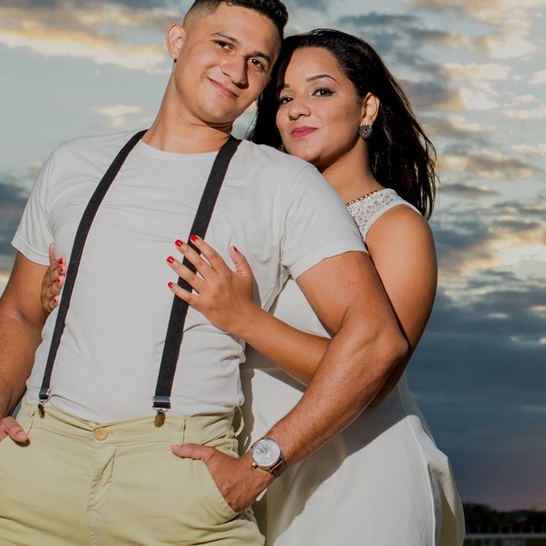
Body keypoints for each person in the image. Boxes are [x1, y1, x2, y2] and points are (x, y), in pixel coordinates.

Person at [0, 0, 407, 546]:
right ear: (177, 40)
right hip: (31, 470)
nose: (236, 70)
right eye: (222, 44)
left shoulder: (285, 182)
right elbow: (22, 312)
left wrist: (258, 466)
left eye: (257, 62)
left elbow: (375, 341)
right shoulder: (73, 162)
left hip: (181, 479)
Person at [160, 29, 465, 545]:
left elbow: (374, 376)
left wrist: (245, 319)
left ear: (367, 109)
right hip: (262, 478)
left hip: (359, 476)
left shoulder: (395, 228)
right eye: (284, 98)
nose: (297, 109)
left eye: (321, 91)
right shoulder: (262, 219)